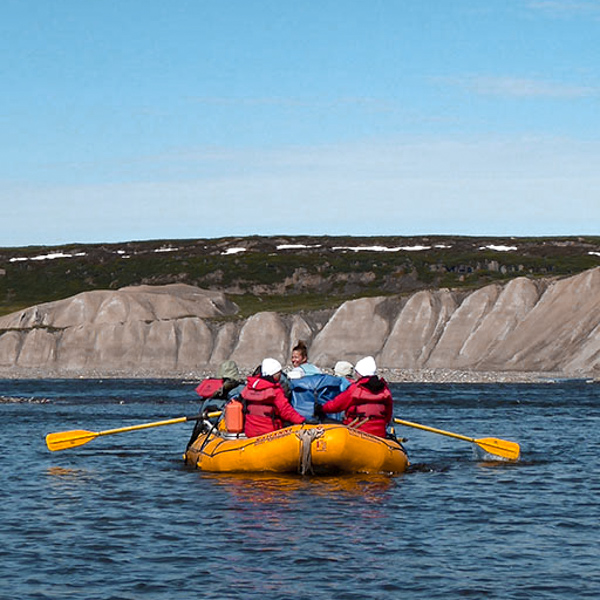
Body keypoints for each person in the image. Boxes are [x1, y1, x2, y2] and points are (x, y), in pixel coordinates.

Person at [315, 356, 393, 438]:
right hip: (379, 434)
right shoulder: (385, 390)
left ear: (359, 373)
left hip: (356, 433)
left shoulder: (355, 389)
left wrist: (320, 408)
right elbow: (388, 415)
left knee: (325, 421)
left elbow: (336, 406)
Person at [241, 357, 306, 437]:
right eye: (279, 373)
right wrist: (302, 421)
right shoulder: (275, 391)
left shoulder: (249, 387)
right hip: (269, 434)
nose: (280, 375)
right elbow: (286, 411)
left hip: (250, 432)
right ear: (274, 374)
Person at [187, 360, 245, 448]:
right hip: (230, 430)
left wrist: (191, 443)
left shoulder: (210, 400)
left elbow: (198, 424)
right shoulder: (243, 390)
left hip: (219, 428)